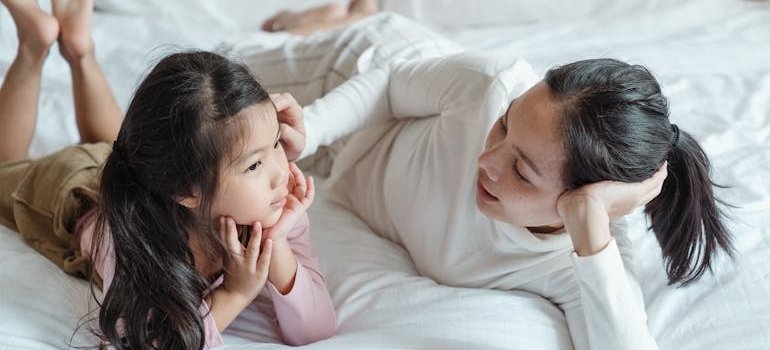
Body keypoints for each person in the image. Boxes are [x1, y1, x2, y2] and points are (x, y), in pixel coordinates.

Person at [240, 10, 733, 350]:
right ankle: (350, 17)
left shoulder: (581, 259)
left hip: (349, 169)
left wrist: (588, 223)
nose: (488, 160)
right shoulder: (490, 87)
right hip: (354, 75)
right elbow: (390, 85)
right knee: (212, 85)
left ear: (580, 202)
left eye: (521, 170)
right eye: (504, 125)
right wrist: (311, 128)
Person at [0, 0, 336, 349]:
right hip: (69, 192)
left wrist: (276, 241)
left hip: (128, 168)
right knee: (4, 167)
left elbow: (317, 329)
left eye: (278, 143)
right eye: (254, 165)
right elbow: (149, 344)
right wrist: (234, 295)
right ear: (186, 191)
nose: (281, 174)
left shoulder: (271, 203)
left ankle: (80, 49)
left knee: (112, 144)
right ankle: (33, 44)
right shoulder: (138, 243)